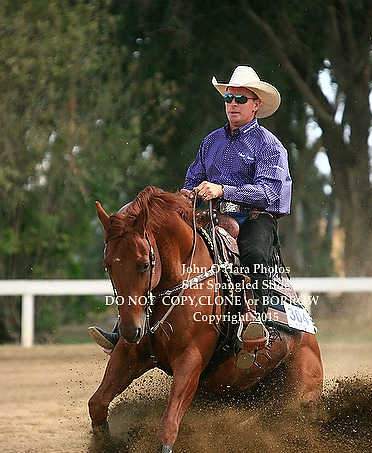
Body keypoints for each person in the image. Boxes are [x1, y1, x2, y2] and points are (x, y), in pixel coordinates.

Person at [89, 65, 292, 369]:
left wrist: (223, 190)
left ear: (256, 104)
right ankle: (126, 328)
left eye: (240, 98)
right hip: (207, 216)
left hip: (252, 217)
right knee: (156, 250)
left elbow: (271, 193)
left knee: (255, 253)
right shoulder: (211, 141)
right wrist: (187, 194)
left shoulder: (269, 146)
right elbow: (192, 179)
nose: (232, 104)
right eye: (229, 97)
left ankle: (256, 322)